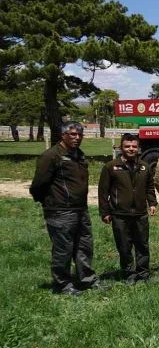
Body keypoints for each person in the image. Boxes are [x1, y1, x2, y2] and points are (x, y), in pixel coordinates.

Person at [30, 121, 103, 295]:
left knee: (84, 246)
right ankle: (62, 284)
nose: (77, 138)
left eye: (79, 135)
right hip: (60, 211)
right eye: (72, 134)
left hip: (80, 209)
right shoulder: (51, 156)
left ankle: (86, 279)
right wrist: (50, 203)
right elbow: (38, 184)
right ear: (63, 135)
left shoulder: (78, 154)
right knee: (63, 249)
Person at [98, 133, 157, 285]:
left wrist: (152, 203)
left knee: (142, 244)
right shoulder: (111, 167)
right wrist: (105, 212)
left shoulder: (145, 166)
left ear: (138, 148)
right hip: (120, 214)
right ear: (121, 147)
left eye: (134, 146)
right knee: (124, 245)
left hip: (140, 213)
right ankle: (129, 273)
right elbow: (103, 192)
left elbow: (150, 187)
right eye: (127, 146)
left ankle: (143, 273)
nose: (131, 149)